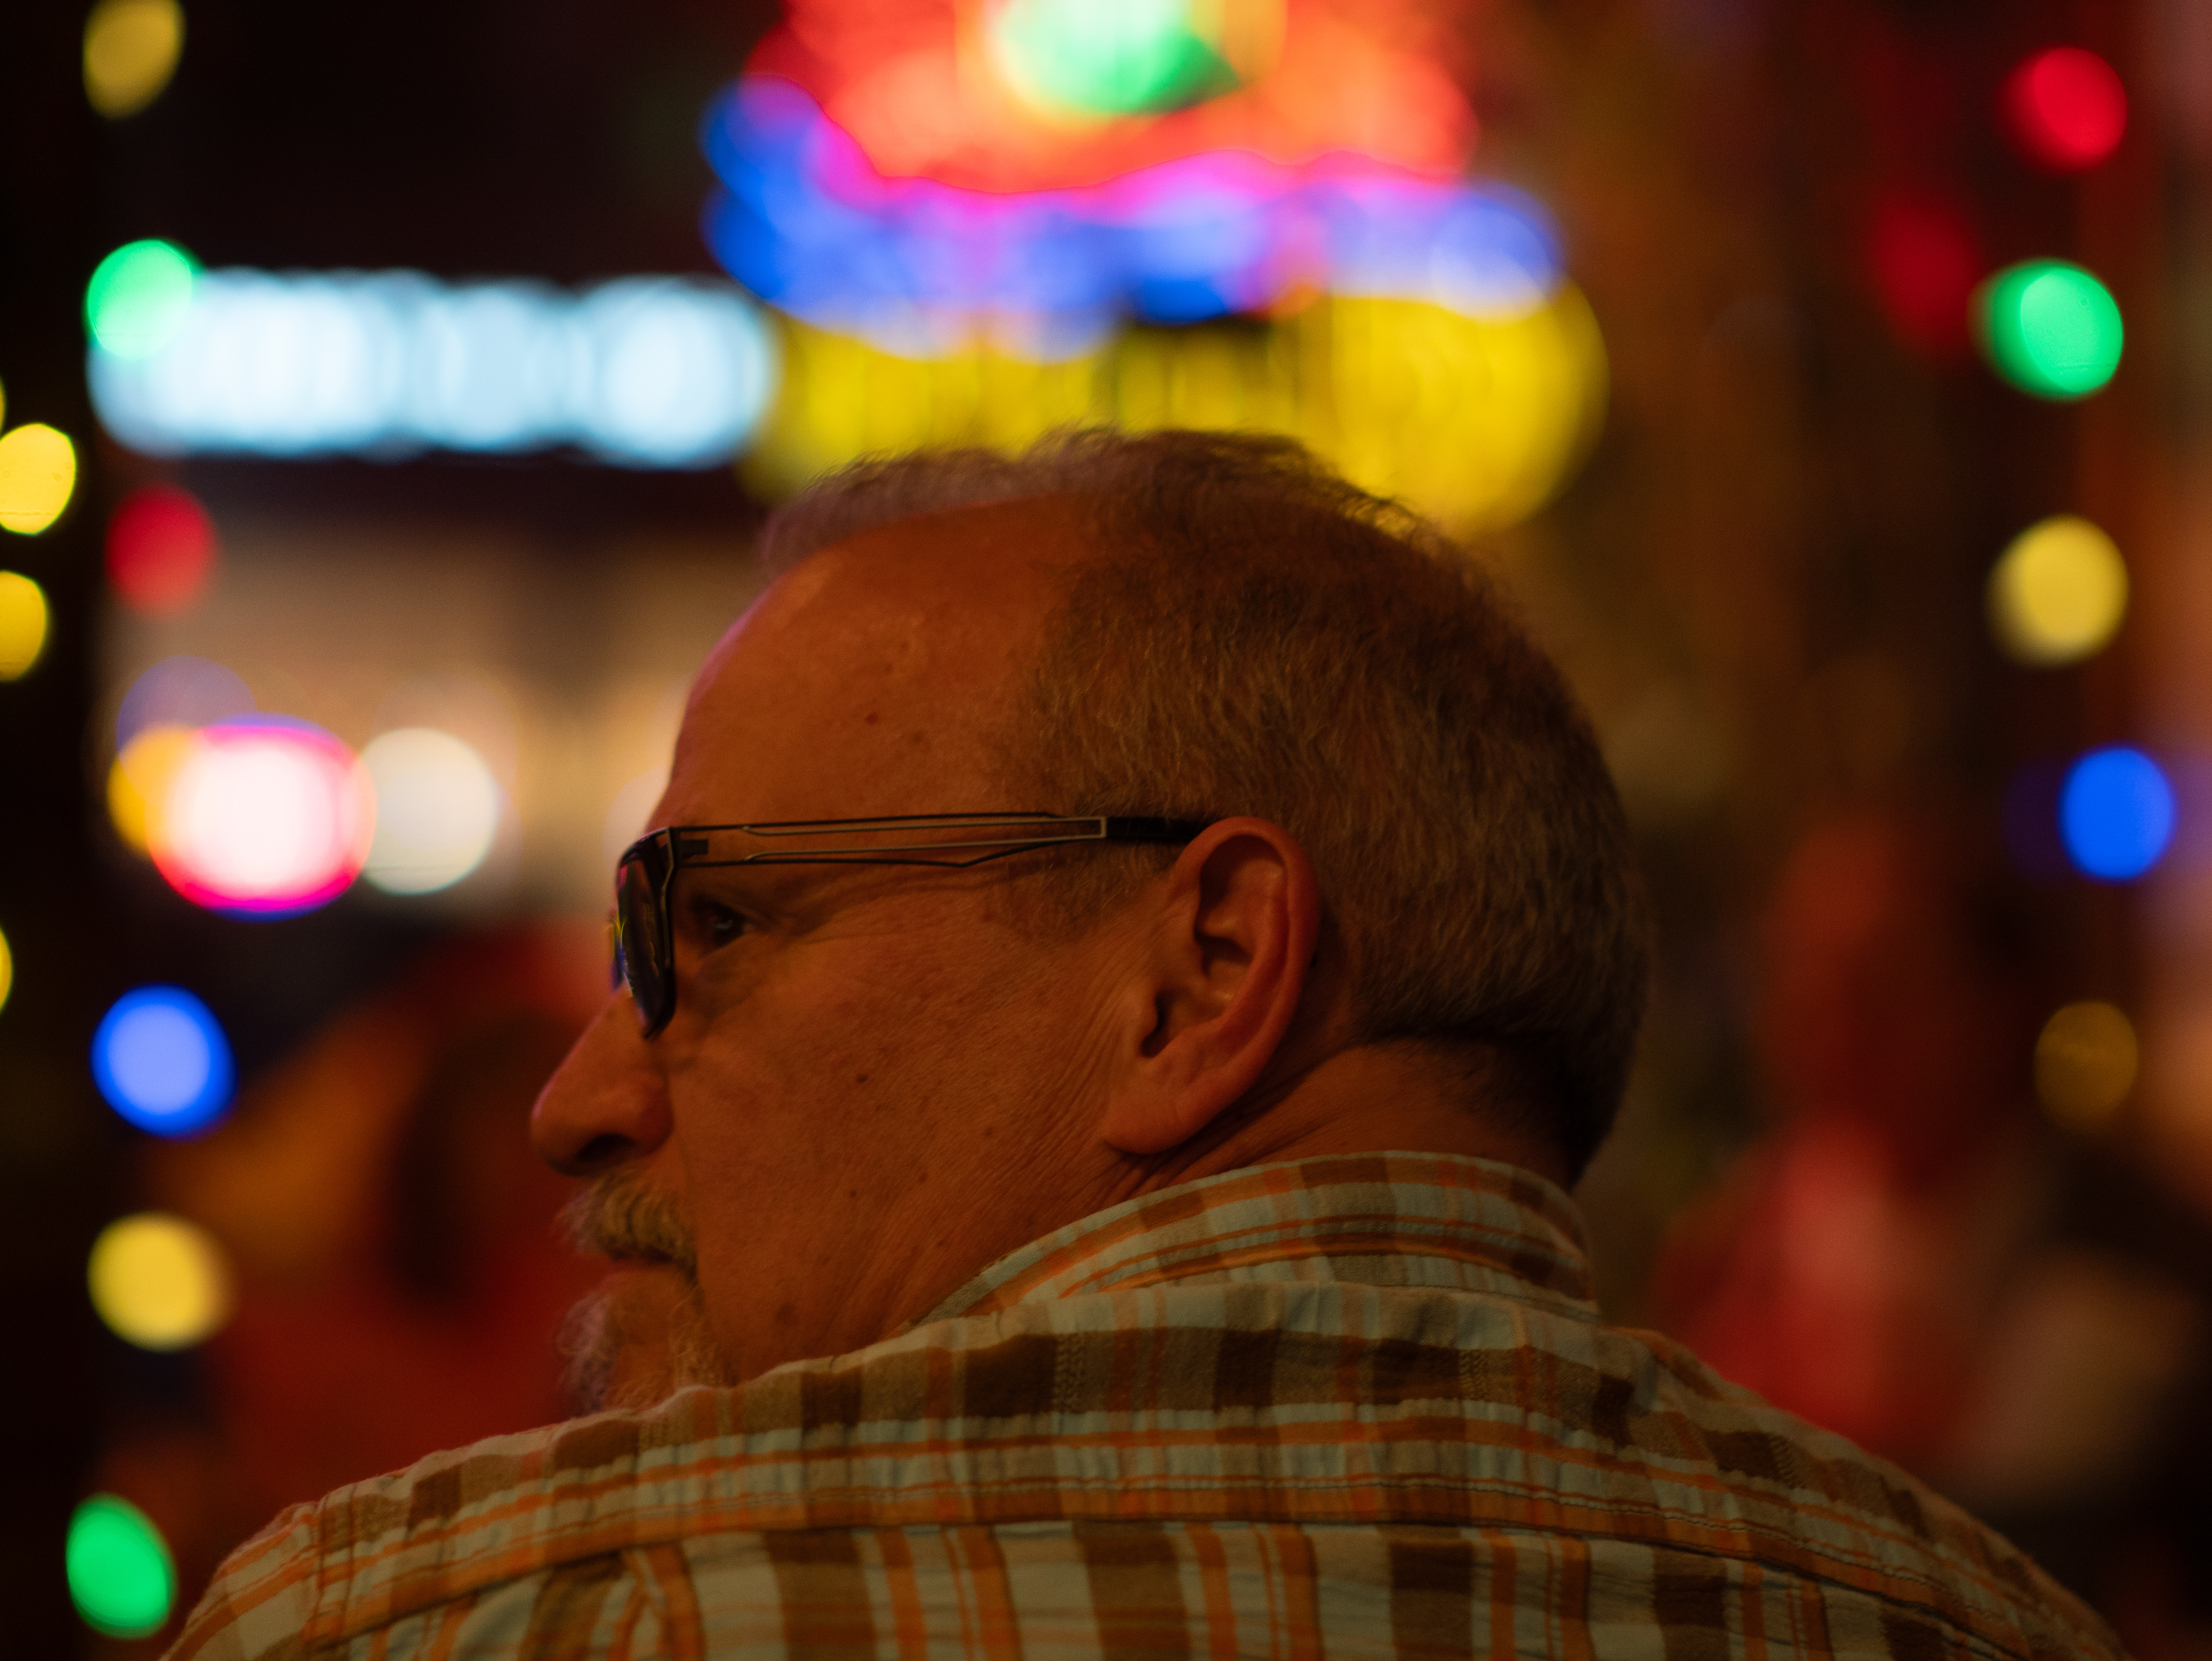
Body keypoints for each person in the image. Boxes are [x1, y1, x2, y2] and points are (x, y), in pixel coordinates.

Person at [170, 431, 2121, 1660]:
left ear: (1204, 972)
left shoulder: (441, 1621)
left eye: (723, 926)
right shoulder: (1972, 1621)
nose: (574, 1097)